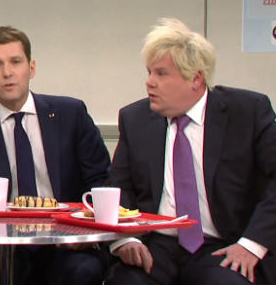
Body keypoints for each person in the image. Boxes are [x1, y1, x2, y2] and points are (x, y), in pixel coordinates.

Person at [104, 18, 276, 285]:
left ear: (196, 78)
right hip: (155, 242)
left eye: (161, 74)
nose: (150, 82)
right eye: (149, 72)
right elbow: (119, 186)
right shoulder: (134, 119)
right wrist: (125, 240)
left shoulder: (247, 112)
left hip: (222, 244)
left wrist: (251, 245)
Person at [0, 26, 111, 285]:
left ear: (32, 68)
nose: (7, 72)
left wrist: (87, 232)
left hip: (67, 240)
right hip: (3, 244)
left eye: (15, 62)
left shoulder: (71, 114)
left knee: (80, 273)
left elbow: (102, 180)